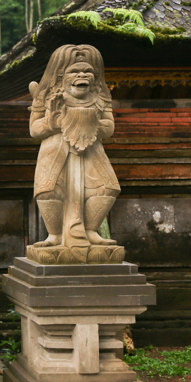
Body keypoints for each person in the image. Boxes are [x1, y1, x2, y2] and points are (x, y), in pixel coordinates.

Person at [28, 44, 120, 262]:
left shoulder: (100, 97)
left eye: (88, 72)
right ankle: (55, 235)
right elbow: (34, 129)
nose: (82, 75)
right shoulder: (47, 95)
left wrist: (95, 123)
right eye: (74, 71)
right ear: (61, 75)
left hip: (91, 151)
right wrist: (53, 121)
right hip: (55, 150)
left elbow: (109, 127)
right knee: (48, 191)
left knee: (107, 189)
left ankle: (90, 231)